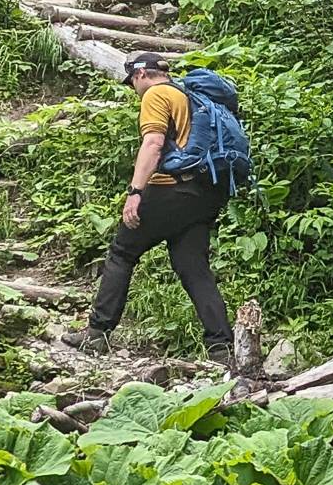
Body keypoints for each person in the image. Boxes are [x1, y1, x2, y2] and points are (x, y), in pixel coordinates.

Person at [73, 52, 236, 355]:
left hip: (170, 189)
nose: (134, 88)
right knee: (194, 267)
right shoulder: (192, 97)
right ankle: (221, 346)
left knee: (122, 252)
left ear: (140, 75)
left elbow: (153, 143)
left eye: (132, 81)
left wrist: (136, 192)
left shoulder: (157, 94)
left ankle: (97, 333)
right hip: (205, 193)